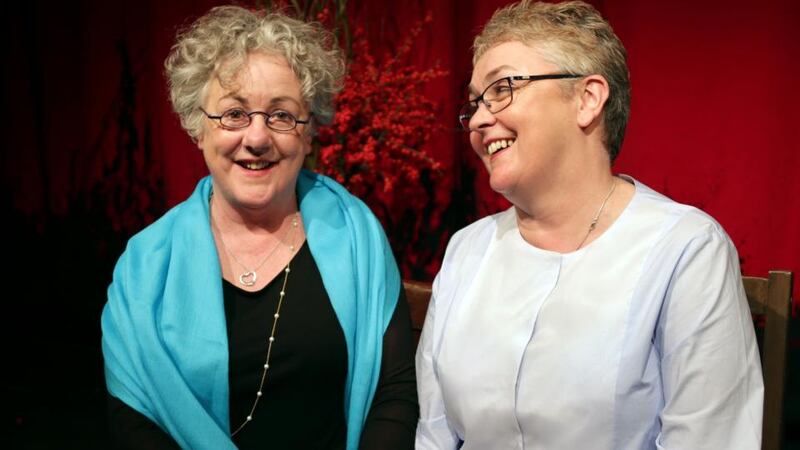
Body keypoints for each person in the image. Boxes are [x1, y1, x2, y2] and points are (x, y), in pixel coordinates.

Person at [415, 1, 762, 449]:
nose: (479, 119)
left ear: (587, 99)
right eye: (476, 103)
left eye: (502, 88)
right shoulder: (467, 250)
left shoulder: (685, 249)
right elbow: (435, 436)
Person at [101, 6, 418, 450]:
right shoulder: (144, 265)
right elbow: (135, 421)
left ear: (308, 133)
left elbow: (395, 394)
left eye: (281, 115)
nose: (256, 138)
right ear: (198, 127)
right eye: (234, 113)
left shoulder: (356, 234)